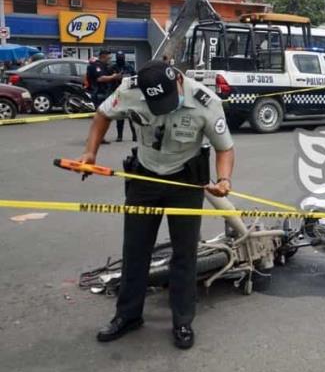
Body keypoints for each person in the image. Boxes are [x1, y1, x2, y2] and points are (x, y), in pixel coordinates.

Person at [78, 60, 235, 349]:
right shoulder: (130, 91)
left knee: (184, 254)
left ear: (177, 81)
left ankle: (182, 321)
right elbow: (102, 115)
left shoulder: (205, 101)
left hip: (186, 182)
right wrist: (90, 153)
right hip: (144, 177)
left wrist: (223, 179)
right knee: (135, 249)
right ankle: (128, 316)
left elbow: (224, 147)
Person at [85, 50, 121, 145]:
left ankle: (99, 137)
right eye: (108, 58)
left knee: (102, 117)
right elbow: (100, 78)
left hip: (103, 93)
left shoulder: (104, 66)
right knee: (100, 117)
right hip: (97, 94)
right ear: (103, 57)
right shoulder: (96, 66)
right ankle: (94, 138)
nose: (110, 60)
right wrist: (114, 77)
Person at [110, 52, 138, 142]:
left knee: (131, 116)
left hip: (128, 94)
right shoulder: (113, 68)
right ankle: (119, 136)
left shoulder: (129, 67)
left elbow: (135, 78)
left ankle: (134, 135)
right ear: (117, 58)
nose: (120, 58)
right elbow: (109, 80)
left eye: (122, 57)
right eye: (119, 57)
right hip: (118, 93)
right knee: (120, 116)